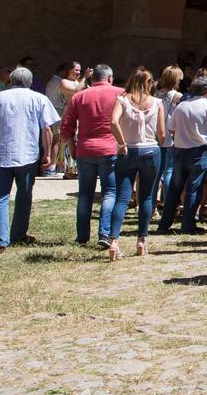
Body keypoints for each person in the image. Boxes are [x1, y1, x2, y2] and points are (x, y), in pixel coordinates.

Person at [0, 67, 58, 252]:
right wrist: (48, 154)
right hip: (27, 154)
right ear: (29, 82)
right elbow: (48, 129)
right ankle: (18, 233)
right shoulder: (39, 99)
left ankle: (0, 241)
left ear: (10, 81)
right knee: (24, 196)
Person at [59, 64, 123, 248]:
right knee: (109, 192)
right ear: (110, 78)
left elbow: (66, 124)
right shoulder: (120, 93)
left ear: (93, 79)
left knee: (85, 194)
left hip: (85, 149)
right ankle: (104, 232)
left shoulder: (79, 96)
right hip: (110, 149)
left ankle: (82, 236)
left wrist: (72, 145)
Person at [107, 69, 165, 260]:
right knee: (147, 196)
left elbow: (113, 122)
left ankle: (114, 240)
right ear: (149, 83)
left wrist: (122, 142)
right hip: (150, 149)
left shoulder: (122, 99)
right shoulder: (157, 103)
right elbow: (162, 134)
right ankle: (142, 239)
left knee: (122, 198)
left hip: (128, 150)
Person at [157, 76, 207, 235]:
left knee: (175, 188)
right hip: (198, 150)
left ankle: (164, 224)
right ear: (206, 90)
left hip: (179, 149)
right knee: (194, 189)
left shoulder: (182, 106)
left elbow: (171, 128)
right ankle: (188, 224)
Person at [43, 62, 83, 177]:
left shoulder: (78, 82)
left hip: (78, 113)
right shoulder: (63, 81)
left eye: (79, 70)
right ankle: (64, 168)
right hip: (69, 112)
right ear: (69, 70)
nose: (78, 72)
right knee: (65, 140)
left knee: (77, 139)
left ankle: (74, 168)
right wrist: (84, 78)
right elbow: (76, 92)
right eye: (76, 70)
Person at [153, 66, 183, 212]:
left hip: (155, 135)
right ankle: (168, 204)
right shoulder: (178, 96)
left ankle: (151, 204)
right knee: (169, 171)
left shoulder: (154, 93)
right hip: (170, 136)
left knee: (156, 172)